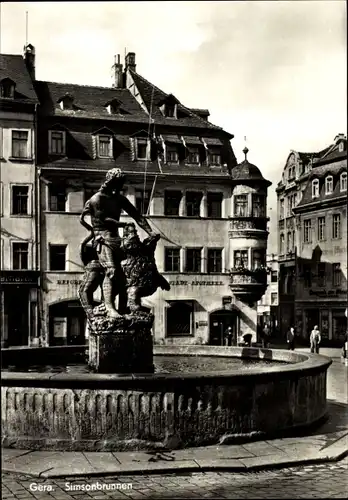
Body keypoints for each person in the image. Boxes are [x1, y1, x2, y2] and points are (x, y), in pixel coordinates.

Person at [80, 168, 158, 319]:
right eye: (118, 183)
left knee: (123, 275)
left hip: (117, 240)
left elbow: (137, 216)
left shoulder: (120, 199)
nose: (120, 186)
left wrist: (150, 232)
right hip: (102, 239)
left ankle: (123, 308)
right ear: (111, 182)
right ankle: (109, 308)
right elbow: (104, 220)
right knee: (112, 271)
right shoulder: (97, 199)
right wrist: (122, 224)